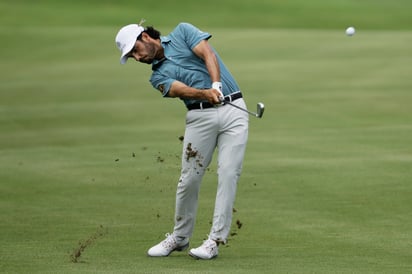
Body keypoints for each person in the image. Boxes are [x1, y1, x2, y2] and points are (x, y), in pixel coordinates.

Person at [115, 21, 249, 260]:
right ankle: (179, 237)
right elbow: (179, 89)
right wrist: (206, 94)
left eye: (136, 50)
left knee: (228, 173)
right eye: (132, 56)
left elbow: (207, 53)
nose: (137, 58)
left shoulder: (183, 32)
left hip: (234, 109)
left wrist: (216, 85)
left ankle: (214, 241)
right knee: (189, 179)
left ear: (145, 37)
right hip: (199, 117)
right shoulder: (157, 76)